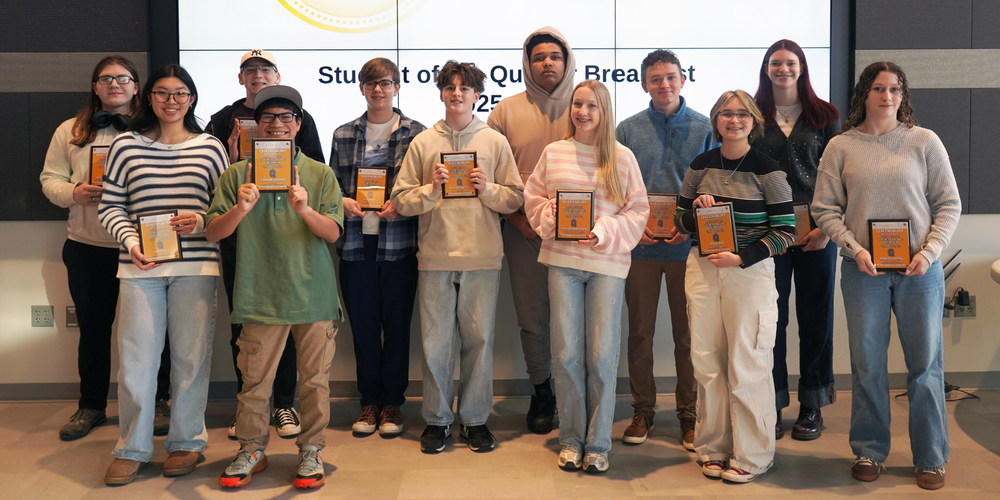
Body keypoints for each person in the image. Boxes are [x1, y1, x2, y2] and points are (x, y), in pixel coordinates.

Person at [812, 61, 960, 491]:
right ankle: (869, 450)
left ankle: (931, 458)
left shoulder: (924, 142)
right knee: (867, 366)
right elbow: (824, 209)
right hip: (865, 273)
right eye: (879, 88)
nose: (887, 96)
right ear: (865, 93)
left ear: (903, 94)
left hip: (919, 272)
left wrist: (930, 253)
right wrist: (853, 249)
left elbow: (948, 205)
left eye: (895, 89)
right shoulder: (841, 146)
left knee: (925, 367)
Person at [207, 85, 344, 489]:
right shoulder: (236, 174)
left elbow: (333, 233)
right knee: (254, 383)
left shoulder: (319, 174)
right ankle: (251, 449)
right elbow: (215, 232)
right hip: (258, 293)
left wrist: (304, 208)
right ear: (255, 127)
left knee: (315, 381)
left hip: (313, 295)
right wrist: (241, 207)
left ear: (299, 126)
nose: (277, 124)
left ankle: (311, 450)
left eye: (287, 117)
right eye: (268, 118)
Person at [98, 64, 227, 485]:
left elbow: (224, 210)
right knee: (137, 360)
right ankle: (132, 449)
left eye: (180, 93)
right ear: (148, 97)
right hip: (139, 268)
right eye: (162, 92)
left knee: (191, 359)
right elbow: (110, 206)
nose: (171, 101)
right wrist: (131, 243)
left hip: (196, 266)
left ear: (191, 98)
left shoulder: (210, 147)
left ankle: (186, 442)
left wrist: (202, 219)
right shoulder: (125, 146)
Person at [392, 60, 523, 455]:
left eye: (464, 88)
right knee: (435, 342)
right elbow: (400, 200)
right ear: (441, 93)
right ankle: (436, 420)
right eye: (449, 87)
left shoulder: (494, 142)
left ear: (477, 95)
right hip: (434, 255)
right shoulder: (423, 142)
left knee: (479, 341)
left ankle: (475, 419)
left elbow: (515, 198)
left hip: (482, 256)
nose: (456, 94)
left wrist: (489, 190)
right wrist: (431, 191)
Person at [524, 80, 649, 473]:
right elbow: (535, 198)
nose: (582, 112)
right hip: (562, 263)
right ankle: (571, 439)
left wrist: (602, 233)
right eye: (577, 105)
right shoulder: (554, 152)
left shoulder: (622, 157)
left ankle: (598, 443)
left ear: (604, 110)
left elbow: (638, 210)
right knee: (566, 354)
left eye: (591, 106)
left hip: (606, 267)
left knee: (600, 357)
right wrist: (553, 219)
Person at [674, 90, 795, 483]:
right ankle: (713, 448)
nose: (734, 120)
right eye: (726, 114)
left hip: (749, 273)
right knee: (707, 362)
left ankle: (753, 455)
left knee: (748, 363)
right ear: (715, 120)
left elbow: (786, 233)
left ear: (754, 121)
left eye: (742, 114)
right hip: (704, 270)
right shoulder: (700, 165)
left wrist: (742, 257)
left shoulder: (768, 169)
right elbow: (680, 222)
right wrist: (696, 212)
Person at [205, 49, 321, 439]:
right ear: (241, 79)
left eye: (264, 69)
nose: (276, 124)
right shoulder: (222, 119)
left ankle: (285, 405)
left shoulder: (303, 122)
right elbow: (215, 177)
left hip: (292, 241)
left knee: (287, 325)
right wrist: (235, 157)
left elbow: (316, 169)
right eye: (249, 70)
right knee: (249, 329)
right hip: (244, 242)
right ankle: (249, 406)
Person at [615, 49, 715, 449]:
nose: (664, 85)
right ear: (644, 84)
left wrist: (691, 231)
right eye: (656, 79)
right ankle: (643, 411)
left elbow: (713, 186)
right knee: (639, 333)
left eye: (671, 77)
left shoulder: (706, 128)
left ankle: (689, 415)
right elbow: (615, 186)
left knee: (687, 336)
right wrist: (630, 227)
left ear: (682, 80)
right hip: (638, 249)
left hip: (686, 249)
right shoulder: (627, 129)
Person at [40, 55, 141, 441]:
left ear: (136, 86)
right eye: (106, 79)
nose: (114, 85)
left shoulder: (152, 129)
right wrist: (74, 193)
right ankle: (92, 406)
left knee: (151, 331)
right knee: (95, 331)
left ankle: (159, 401)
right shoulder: (70, 130)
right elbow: (49, 179)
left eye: (123, 78)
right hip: (87, 246)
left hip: (141, 247)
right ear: (95, 87)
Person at [487, 27, 576, 434]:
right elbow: (490, 178)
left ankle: (576, 394)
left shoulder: (586, 104)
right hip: (523, 232)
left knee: (576, 318)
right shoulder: (504, 111)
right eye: (539, 57)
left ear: (567, 60)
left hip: (580, 237)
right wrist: (517, 221)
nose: (547, 63)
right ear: (527, 64)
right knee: (533, 317)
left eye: (554, 56)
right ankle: (543, 392)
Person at [330, 57, 425, 437]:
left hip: (399, 245)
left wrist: (401, 203)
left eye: (386, 83)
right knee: (364, 328)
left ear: (397, 87)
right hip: (356, 244)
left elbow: (420, 188)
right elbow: (330, 187)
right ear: (361, 88)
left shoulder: (417, 133)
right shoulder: (342, 134)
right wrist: (342, 202)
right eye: (371, 83)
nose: (378, 90)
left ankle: (393, 405)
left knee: (397, 327)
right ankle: (368, 402)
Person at [752, 39, 841, 441]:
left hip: (818, 233)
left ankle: (812, 404)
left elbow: (842, 178)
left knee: (815, 319)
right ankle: (770, 402)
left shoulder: (826, 116)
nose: (783, 69)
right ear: (766, 69)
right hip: (770, 232)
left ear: (802, 68)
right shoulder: (753, 115)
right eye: (776, 63)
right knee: (772, 320)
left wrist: (828, 227)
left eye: (790, 63)